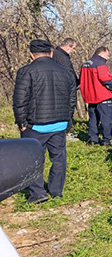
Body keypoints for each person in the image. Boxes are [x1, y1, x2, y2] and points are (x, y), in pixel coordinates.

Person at [12, 39, 77, 204]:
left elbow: (20, 101)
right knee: (58, 159)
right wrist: (67, 118)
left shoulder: (26, 71)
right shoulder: (65, 71)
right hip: (60, 124)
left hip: (36, 125)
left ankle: (38, 193)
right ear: (51, 53)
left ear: (31, 54)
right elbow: (71, 98)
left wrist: (21, 123)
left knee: (32, 158)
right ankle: (56, 192)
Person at [80, 47, 112, 145]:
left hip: (90, 97)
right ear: (102, 53)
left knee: (93, 119)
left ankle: (93, 139)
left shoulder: (85, 64)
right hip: (102, 96)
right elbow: (105, 79)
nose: (108, 58)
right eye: (107, 55)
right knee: (106, 119)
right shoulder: (100, 64)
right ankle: (106, 140)